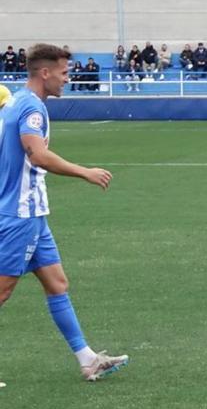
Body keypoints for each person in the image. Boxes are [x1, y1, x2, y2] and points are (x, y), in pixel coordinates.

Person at [0, 44, 128, 383]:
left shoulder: (18, 101)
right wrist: (84, 172)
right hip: (20, 215)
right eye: (63, 72)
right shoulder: (31, 109)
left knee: (57, 283)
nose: (67, 79)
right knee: (2, 289)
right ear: (45, 73)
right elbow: (38, 155)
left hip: (34, 215)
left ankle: (87, 359)